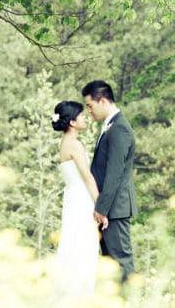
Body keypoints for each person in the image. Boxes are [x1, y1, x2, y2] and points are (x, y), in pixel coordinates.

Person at [82, 80, 137, 282]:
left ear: (103, 101)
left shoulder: (119, 129)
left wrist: (101, 208)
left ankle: (129, 305)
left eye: (90, 105)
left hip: (115, 208)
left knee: (121, 260)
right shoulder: (110, 127)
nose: (89, 111)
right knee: (109, 264)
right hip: (109, 208)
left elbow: (114, 174)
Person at [52, 100, 103, 297]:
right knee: (83, 245)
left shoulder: (64, 143)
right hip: (81, 199)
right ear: (72, 122)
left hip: (72, 198)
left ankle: (70, 293)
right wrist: (101, 206)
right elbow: (88, 177)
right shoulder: (74, 144)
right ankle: (79, 295)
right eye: (81, 115)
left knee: (73, 244)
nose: (85, 118)